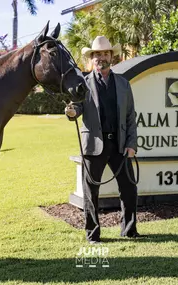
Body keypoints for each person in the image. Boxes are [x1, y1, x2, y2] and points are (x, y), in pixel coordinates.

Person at [65, 36, 141, 244]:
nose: (101, 57)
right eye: (97, 54)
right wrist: (71, 112)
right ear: (92, 58)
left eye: (105, 53)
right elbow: (76, 108)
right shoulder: (83, 83)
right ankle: (93, 235)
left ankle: (129, 230)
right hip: (93, 146)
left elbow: (130, 117)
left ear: (111, 56)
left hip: (120, 144)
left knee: (129, 188)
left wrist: (131, 144)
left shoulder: (124, 84)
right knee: (91, 193)